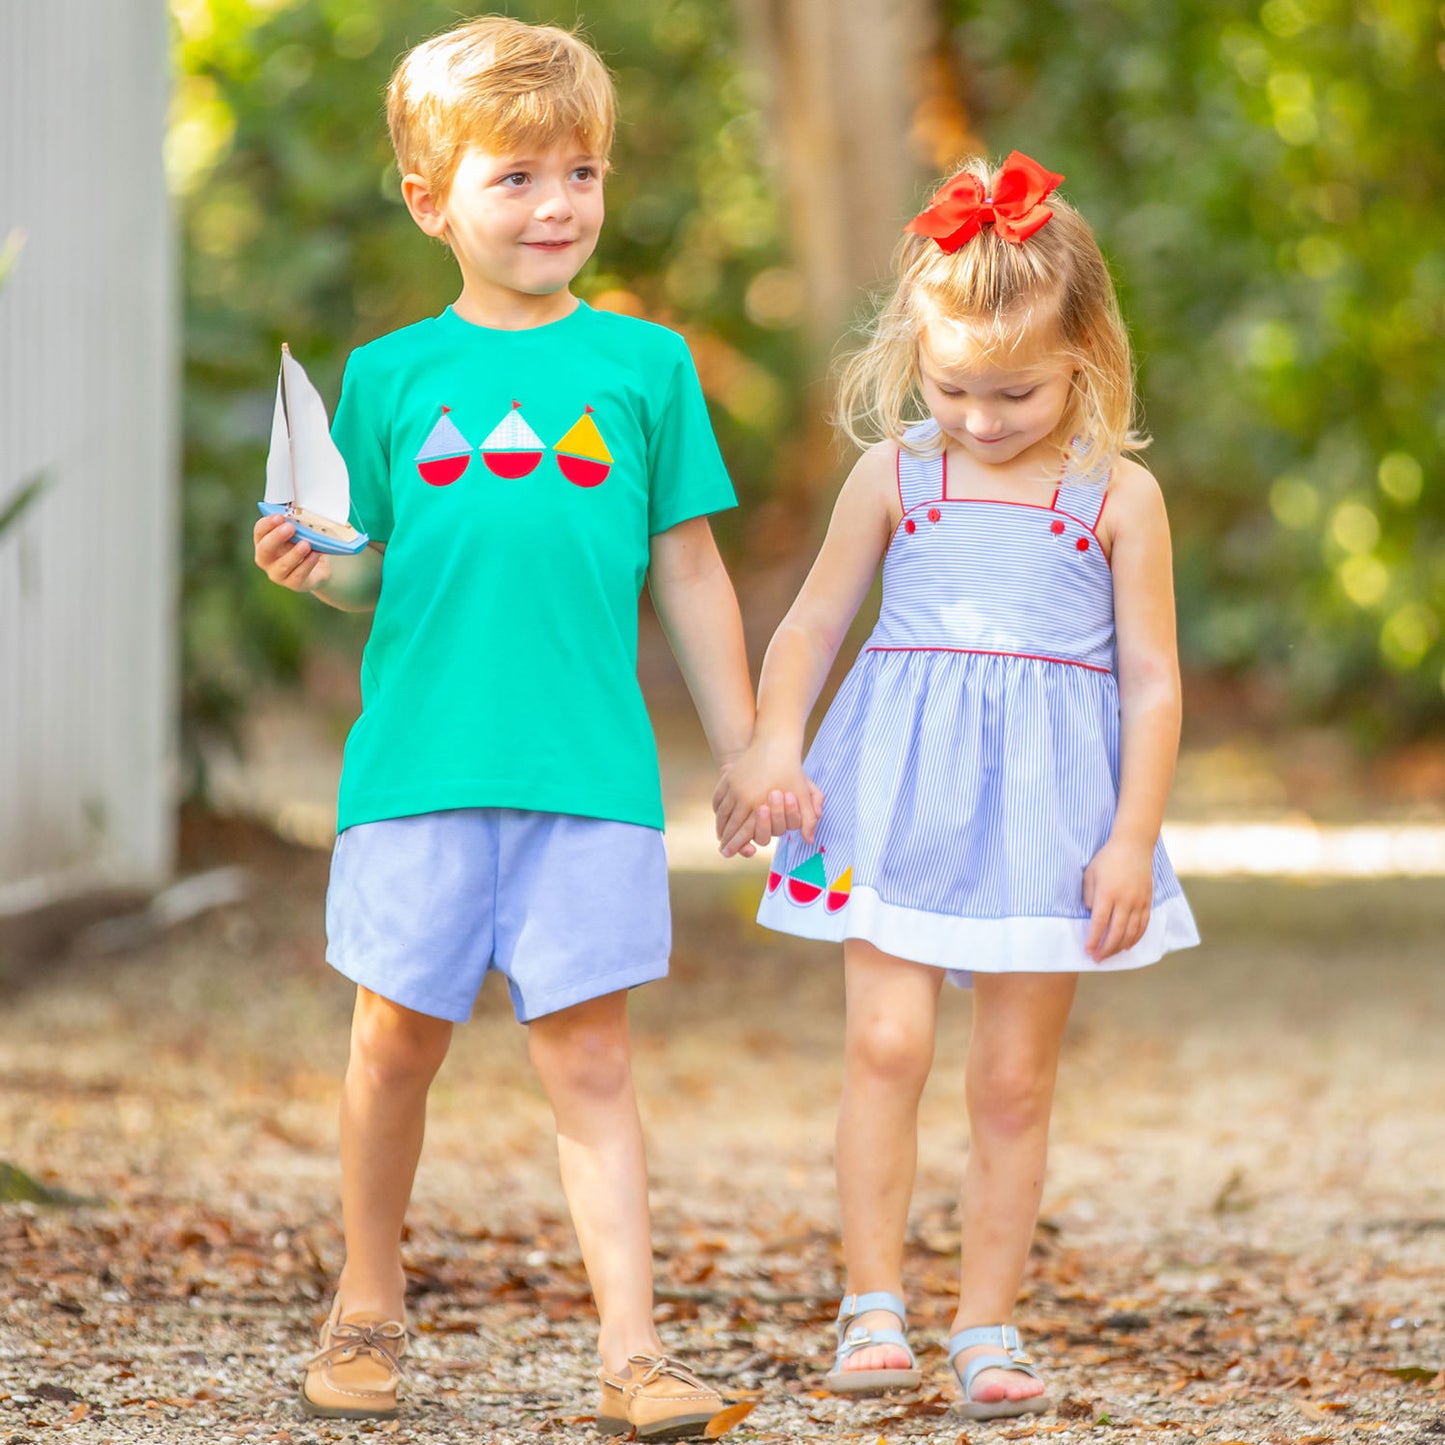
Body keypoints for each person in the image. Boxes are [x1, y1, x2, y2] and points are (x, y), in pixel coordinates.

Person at [254, 17, 764, 1437]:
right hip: (416, 773)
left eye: (582, 173)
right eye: (517, 177)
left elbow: (691, 569)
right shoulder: (386, 377)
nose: (557, 207)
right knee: (392, 1044)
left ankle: (635, 1351)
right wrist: (315, 559)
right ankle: (366, 1303)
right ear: (430, 200)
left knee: (590, 1062)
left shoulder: (648, 368)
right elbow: (368, 565)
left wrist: (746, 747)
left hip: (589, 778)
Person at [714, 151, 1200, 1421]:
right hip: (881, 793)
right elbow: (811, 626)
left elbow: (1150, 680)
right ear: (911, 359)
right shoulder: (894, 476)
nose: (978, 418)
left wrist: (1130, 839)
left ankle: (986, 1320)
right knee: (882, 1045)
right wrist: (774, 743)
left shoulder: (1117, 496)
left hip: (1047, 815)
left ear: (1084, 360)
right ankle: (871, 1299)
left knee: (1010, 1081)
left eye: (1013, 390)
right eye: (952, 387)